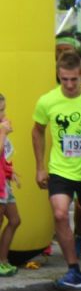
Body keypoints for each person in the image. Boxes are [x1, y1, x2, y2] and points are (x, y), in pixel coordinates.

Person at [33, 52, 81, 290]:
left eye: (73, 80)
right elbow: (37, 131)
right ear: (58, 75)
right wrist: (40, 167)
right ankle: (73, 270)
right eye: (64, 79)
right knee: (59, 214)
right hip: (61, 169)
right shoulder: (47, 101)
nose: (68, 85)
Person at [0, 94, 21, 276]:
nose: (3, 114)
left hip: (3, 181)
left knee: (15, 220)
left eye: (4, 109)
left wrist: (10, 171)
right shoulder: (2, 130)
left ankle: (3, 260)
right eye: (0, 110)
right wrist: (3, 133)